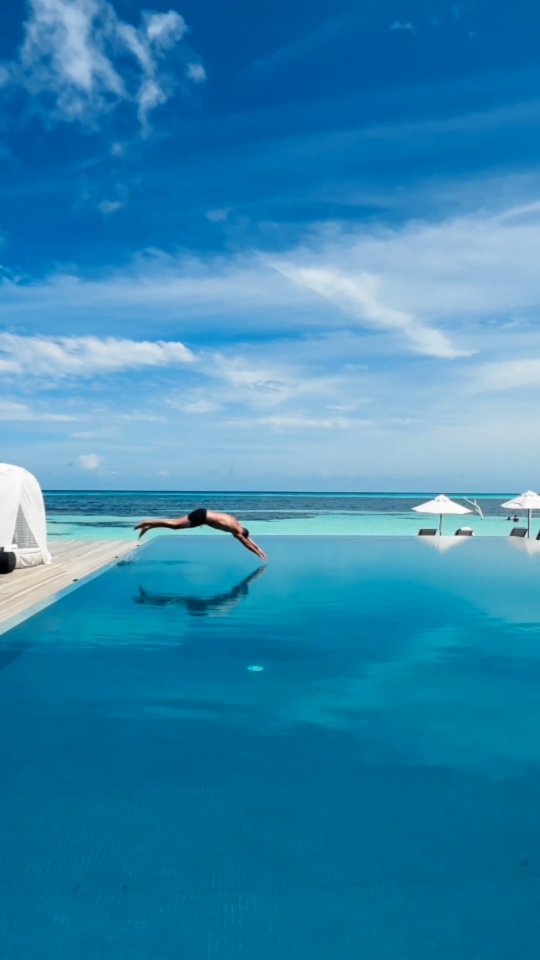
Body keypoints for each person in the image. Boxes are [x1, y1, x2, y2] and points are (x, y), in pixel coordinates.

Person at [134, 507, 267, 560]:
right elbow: (246, 543)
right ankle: (148, 522)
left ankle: (149, 526)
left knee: (175, 524)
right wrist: (257, 553)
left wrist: (259, 547)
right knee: (174, 525)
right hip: (202, 518)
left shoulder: (236, 523)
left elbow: (248, 538)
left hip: (203, 513)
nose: (236, 537)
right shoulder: (237, 532)